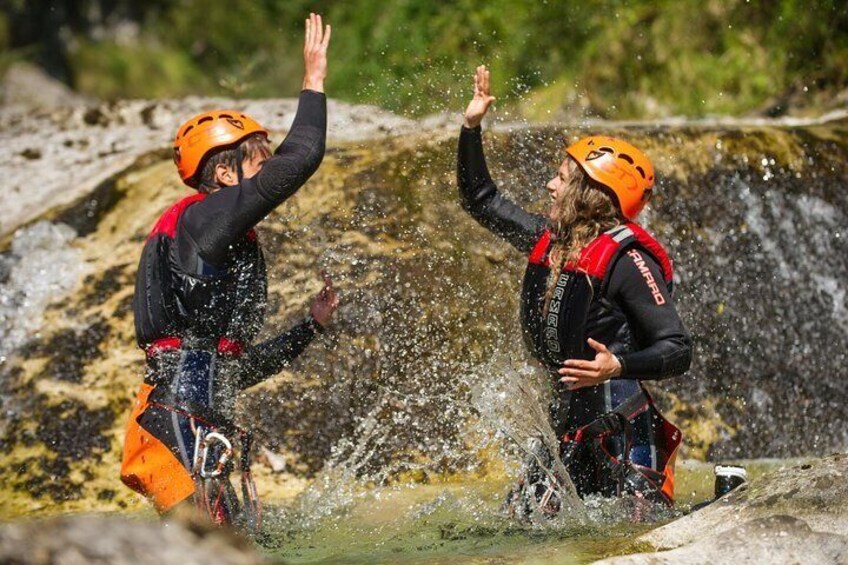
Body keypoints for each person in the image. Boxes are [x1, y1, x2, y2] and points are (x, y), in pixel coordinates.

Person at [120, 13, 338, 527]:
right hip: (171, 431)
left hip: (190, 428)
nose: (267, 180)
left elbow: (233, 371)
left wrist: (310, 328)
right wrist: (313, 82)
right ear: (222, 173)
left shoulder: (223, 245)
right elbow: (301, 158)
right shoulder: (203, 220)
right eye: (259, 165)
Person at [457, 66, 692, 508]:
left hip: (622, 434)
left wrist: (617, 366)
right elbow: (480, 199)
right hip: (565, 425)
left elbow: (678, 348)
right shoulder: (550, 241)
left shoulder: (628, 261)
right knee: (521, 523)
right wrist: (471, 127)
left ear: (591, 193)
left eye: (562, 178)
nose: (550, 185)